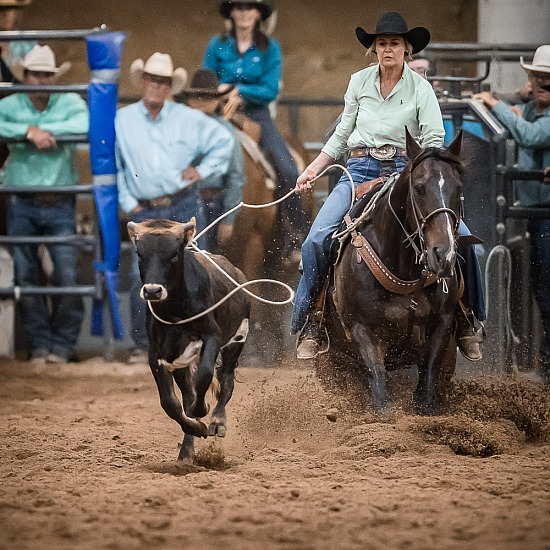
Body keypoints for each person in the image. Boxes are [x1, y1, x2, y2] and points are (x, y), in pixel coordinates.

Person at [292, 12, 485, 361]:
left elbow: (434, 139)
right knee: (316, 239)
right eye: (381, 43)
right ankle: (312, 320)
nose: (387, 49)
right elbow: (340, 136)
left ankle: (470, 320)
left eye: (394, 43)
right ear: (374, 49)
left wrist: (420, 170)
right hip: (360, 169)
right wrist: (312, 169)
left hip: (407, 171)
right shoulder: (358, 82)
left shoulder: (420, 88)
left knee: (468, 245)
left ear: (407, 49)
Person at [115, 52, 234, 364]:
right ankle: (145, 346)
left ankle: (204, 340)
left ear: (170, 86)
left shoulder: (187, 118)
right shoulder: (123, 120)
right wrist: (129, 203)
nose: (157, 86)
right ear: (144, 81)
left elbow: (224, 141)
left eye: (164, 81)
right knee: (140, 276)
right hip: (145, 212)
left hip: (181, 206)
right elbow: (116, 166)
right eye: (153, 79)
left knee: (198, 273)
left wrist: (202, 170)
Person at [0, 45, 88, 364]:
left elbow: (85, 124)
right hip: (22, 201)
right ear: (25, 77)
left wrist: (49, 132)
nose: (41, 80)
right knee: (25, 275)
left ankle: (62, 345)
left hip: (59, 201)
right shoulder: (11, 105)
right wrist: (27, 131)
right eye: (36, 74)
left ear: (54, 78)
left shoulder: (69, 102)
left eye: (47, 75)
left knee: (66, 274)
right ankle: (40, 343)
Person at [202, 0, 307, 258]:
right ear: (232, 13)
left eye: (249, 8)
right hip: (220, 114)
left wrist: (240, 91)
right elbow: (205, 79)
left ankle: (294, 233)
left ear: (258, 14)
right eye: (238, 8)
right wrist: (221, 93)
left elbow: (270, 88)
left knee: (286, 167)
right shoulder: (217, 44)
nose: (243, 14)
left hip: (257, 116)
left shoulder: (270, 48)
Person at [474, 45, 550, 382]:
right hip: (538, 212)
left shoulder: (540, 118)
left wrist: (498, 105)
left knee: (547, 292)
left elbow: (528, 136)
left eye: (545, 83)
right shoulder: (535, 108)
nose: (538, 89)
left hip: (544, 213)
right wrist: (519, 98)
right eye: (536, 80)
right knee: (541, 290)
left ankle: (547, 368)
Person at [179, 68, 245, 253]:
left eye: (207, 98)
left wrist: (228, 219)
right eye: (197, 97)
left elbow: (236, 176)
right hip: (181, 202)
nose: (201, 103)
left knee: (207, 259)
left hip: (212, 202)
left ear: (216, 101)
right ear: (189, 100)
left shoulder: (226, 132)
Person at [0, 0, 35, 82]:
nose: (6, 14)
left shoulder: (26, 42)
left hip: (19, 92)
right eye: (1, 9)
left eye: (10, 9)